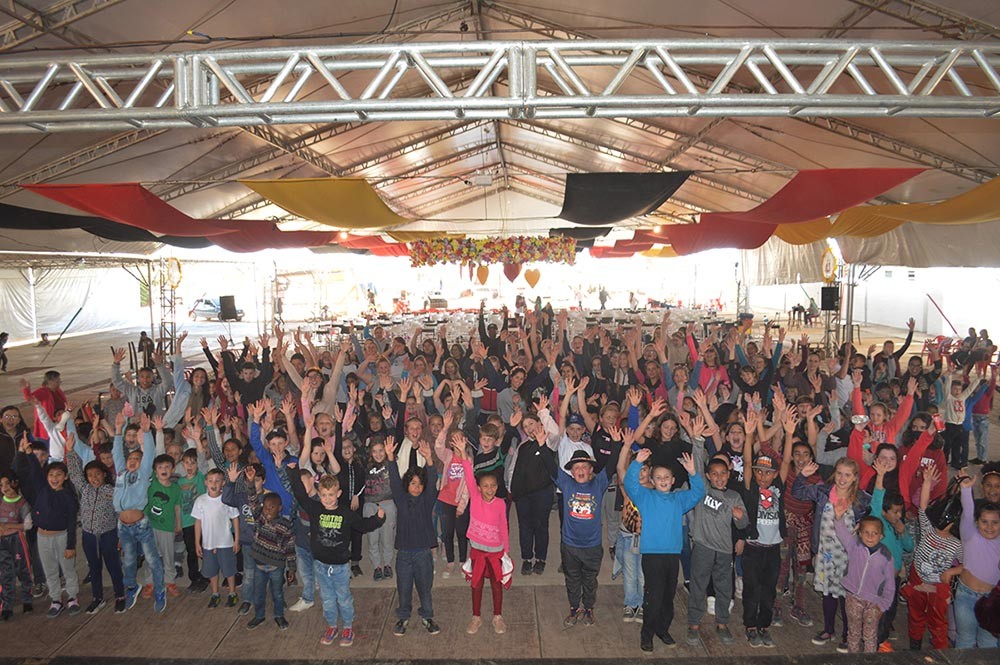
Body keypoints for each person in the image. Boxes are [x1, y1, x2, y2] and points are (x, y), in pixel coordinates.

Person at [287, 459, 385, 647]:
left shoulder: (346, 513)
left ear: (338, 494)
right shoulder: (315, 509)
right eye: (324, 495)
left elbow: (362, 526)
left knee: (344, 598)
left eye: (331, 495)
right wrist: (293, 474)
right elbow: (300, 495)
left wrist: (378, 519)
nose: (328, 498)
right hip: (321, 565)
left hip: (340, 567)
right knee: (327, 598)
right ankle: (332, 626)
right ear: (319, 494)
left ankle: (347, 627)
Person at [625, 443, 704, 652]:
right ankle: (647, 634)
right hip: (652, 555)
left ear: (673, 481)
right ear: (652, 480)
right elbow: (629, 484)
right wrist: (637, 463)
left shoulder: (679, 499)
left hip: (671, 555)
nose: (662, 480)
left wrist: (693, 473)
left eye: (666, 477)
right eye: (658, 477)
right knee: (653, 596)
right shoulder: (645, 496)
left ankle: (662, 629)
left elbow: (698, 493)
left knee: (668, 597)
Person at [795, 456, 871, 653]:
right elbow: (798, 492)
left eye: (847, 475)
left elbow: (873, 517)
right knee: (828, 593)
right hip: (825, 554)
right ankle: (829, 630)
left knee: (847, 597)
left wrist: (862, 525)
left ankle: (848, 634)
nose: (842, 478)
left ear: (855, 478)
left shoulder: (861, 499)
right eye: (839, 473)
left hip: (849, 557)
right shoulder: (823, 491)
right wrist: (802, 476)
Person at [685, 422, 747, 647]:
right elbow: (697, 467)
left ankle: (722, 623)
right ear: (709, 476)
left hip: (724, 550)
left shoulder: (734, 496)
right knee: (698, 585)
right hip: (702, 546)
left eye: (723, 474)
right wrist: (698, 440)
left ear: (729, 474)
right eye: (715, 474)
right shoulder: (702, 490)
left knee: (724, 587)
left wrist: (740, 518)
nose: (719, 477)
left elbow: (744, 524)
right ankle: (693, 623)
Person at [14, 434, 79, 617]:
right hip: (43, 536)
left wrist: (70, 545)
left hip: (62, 536)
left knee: (68, 569)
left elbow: (71, 522)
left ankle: (73, 597)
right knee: (50, 570)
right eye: (51, 475)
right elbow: (35, 470)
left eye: (59, 475)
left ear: (65, 477)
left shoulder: (68, 497)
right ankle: (56, 599)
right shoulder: (42, 488)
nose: (54, 478)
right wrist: (28, 453)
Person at [902, 463, 963, 650]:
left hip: (939, 587)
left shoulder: (957, 544)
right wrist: (927, 482)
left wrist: (953, 570)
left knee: (938, 623)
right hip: (918, 579)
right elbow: (922, 505)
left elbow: (967, 564)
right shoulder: (928, 529)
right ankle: (915, 647)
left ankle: (940, 651)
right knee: (916, 615)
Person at [384, 435, 441, 636]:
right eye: (412, 483)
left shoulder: (427, 500)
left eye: (419, 484)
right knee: (404, 588)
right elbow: (393, 480)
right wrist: (390, 458)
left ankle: (427, 616)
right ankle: (403, 617)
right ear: (406, 485)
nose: (416, 486)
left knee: (425, 589)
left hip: (424, 554)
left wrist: (430, 459)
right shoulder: (401, 499)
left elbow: (432, 478)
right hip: (404, 555)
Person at [64, 432, 124, 614]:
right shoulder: (85, 489)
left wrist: (120, 536)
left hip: (108, 534)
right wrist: (70, 451)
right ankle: (97, 598)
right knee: (94, 566)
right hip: (89, 535)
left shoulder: (111, 491)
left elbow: (120, 513)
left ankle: (120, 595)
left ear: (105, 475)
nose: (94, 478)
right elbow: (74, 474)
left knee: (113, 566)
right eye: (90, 475)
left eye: (97, 474)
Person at [112, 412, 165, 613]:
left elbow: (149, 453)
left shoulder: (143, 475)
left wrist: (146, 431)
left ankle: (160, 591)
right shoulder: (121, 473)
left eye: (137, 459)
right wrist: (118, 430)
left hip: (141, 526)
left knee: (152, 559)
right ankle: (132, 588)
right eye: (131, 458)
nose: (133, 461)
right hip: (123, 526)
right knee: (129, 560)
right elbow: (117, 452)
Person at [833, 514, 895, 653]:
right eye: (866, 532)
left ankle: (868, 660)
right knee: (853, 633)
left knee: (870, 636)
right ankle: (853, 659)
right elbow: (842, 533)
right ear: (860, 534)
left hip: (874, 602)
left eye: (875, 533)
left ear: (881, 536)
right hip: (853, 597)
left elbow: (890, 584)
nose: (870, 536)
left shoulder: (886, 555)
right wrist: (838, 518)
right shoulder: (854, 546)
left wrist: (883, 605)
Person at [953, 473, 1000, 648]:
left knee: (988, 643)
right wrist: (966, 490)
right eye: (984, 522)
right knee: (965, 639)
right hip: (966, 596)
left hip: (992, 601)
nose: (989, 527)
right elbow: (967, 512)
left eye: (995, 522)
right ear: (976, 522)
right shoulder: (969, 535)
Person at [192, 468, 240, 609]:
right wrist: (197, 543)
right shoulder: (200, 501)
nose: (214, 484)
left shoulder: (227, 499)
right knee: (212, 571)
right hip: (208, 543)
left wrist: (236, 540)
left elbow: (235, 519)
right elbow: (198, 523)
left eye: (218, 481)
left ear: (223, 483)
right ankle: (215, 594)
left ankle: (232, 593)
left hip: (225, 543)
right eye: (211, 480)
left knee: (229, 570)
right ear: (206, 482)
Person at [0, 469, 33, 620]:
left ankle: (27, 599)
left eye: (7, 484)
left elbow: (28, 525)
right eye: (1, 485)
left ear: (15, 483)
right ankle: (7, 605)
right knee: (6, 574)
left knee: (23, 569)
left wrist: (9, 527)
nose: (4, 488)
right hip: (2, 542)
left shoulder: (22, 503)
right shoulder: (1, 502)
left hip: (17, 540)